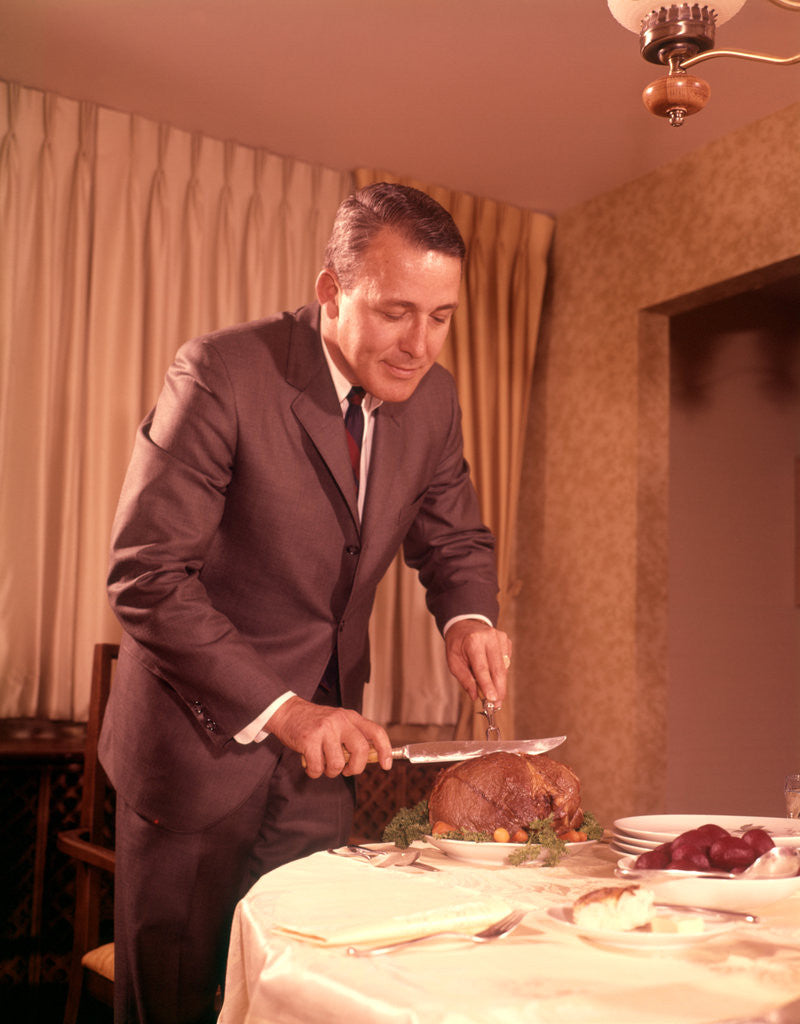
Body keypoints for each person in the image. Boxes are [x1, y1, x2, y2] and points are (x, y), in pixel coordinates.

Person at [99, 182, 511, 1024]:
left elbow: (454, 538)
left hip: (325, 763)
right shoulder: (222, 372)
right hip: (194, 751)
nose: (420, 345)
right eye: (397, 312)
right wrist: (284, 710)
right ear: (331, 288)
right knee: (174, 1003)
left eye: (441, 317)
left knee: (306, 991)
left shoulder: (433, 400)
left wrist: (468, 616)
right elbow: (146, 575)